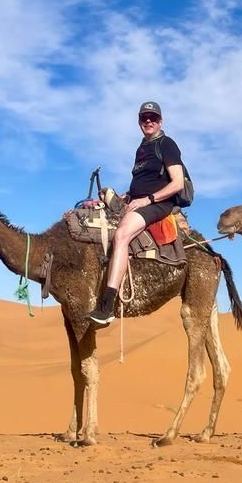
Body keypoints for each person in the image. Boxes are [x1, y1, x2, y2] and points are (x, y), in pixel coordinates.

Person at [87, 101, 187, 327]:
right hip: (137, 201)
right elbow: (140, 183)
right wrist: (124, 197)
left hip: (157, 204)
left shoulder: (167, 144)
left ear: (160, 121)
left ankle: (107, 306)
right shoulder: (141, 150)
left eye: (153, 118)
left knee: (121, 235)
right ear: (139, 122)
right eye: (144, 118)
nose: (148, 121)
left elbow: (177, 182)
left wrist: (147, 199)